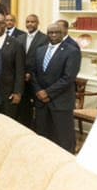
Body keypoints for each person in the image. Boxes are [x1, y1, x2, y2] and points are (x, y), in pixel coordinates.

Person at [30, 23, 81, 153]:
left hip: (60, 102)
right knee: (43, 136)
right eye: (50, 32)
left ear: (63, 33)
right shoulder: (40, 50)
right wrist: (38, 91)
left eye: (56, 32)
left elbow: (68, 77)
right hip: (41, 102)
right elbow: (34, 73)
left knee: (64, 139)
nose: (53, 35)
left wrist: (47, 93)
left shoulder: (72, 51)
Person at [0, 14, 25, 121]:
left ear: (5, 24)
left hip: (7, 92)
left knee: (7, 122)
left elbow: (20, 70)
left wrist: (18, 92)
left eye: (0, 23)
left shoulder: (15, 43)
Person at [16, 14, 48, 128]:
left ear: (38, 23)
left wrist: (30, 73)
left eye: (33, 22)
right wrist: (21, 73)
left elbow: (41, 59)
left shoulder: (44, 38)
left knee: (37, 106)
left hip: (36, 79)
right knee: (23, 106)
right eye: (28, 21)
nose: (30, 24)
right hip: (21, 78)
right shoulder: (20, 38)